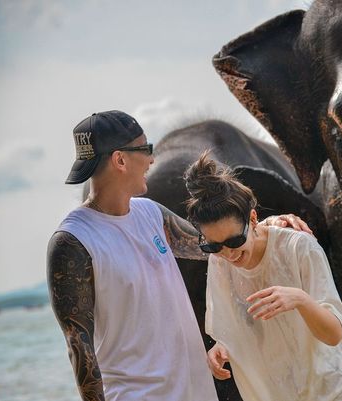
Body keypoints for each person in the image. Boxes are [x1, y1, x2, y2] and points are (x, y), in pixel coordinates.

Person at [46, 110, 309, 401]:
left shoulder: (150, 214)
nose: (151, 159)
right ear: (120, 160)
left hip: (195, 391)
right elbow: (78, 345)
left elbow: (211, 245)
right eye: (145, 149)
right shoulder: (72, 242)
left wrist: (264, 226)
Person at [184, 152, 342, 401]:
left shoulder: (298, 247)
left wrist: (300, 299)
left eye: (235, 240)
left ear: (252, 218)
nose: (228, 253)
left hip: (336, 389)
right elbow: (236, 331)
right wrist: (222, 350)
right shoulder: (220, 264)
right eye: (214, 246)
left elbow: (334, 334)